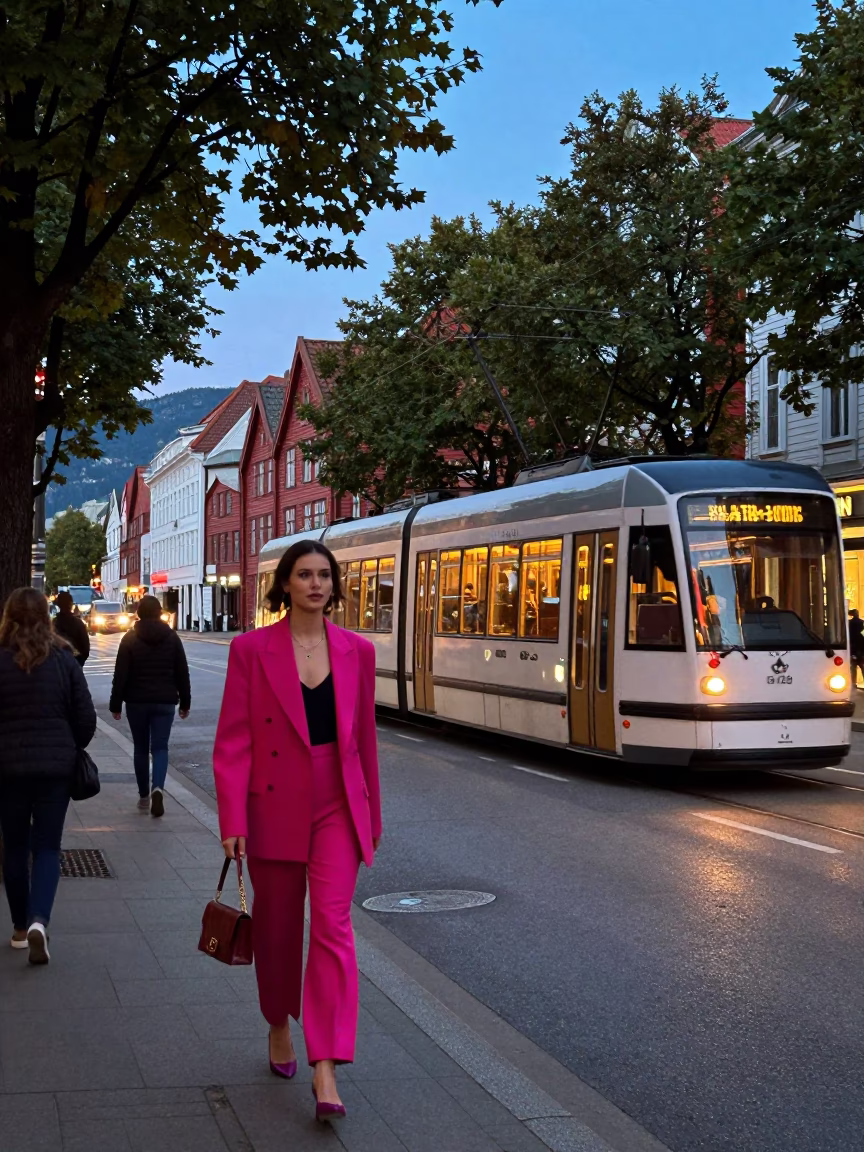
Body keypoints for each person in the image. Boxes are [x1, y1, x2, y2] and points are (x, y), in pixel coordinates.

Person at [213, 540, 381, 1123]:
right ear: (284, 584)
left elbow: (365, 745)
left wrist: (370, 817)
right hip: (274, 805)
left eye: (324, 575)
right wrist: (232, 818)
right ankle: (278, 1022)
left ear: (334, 585)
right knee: (280, 930)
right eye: (304, 575)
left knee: (333, 926)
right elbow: (234, 741)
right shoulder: (251, 650)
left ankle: (326, 1065)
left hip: (336, 803)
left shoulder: (358, 652)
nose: (315, 583)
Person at [0, 587, 97, 964]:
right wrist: (69, 746)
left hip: (7, 770)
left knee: (14, 846)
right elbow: (85, 718)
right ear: (46, 616)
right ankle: (41, 918)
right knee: (47, 847)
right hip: (54, 770)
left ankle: (21, 929)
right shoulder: (63, 659)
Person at [109, 595, 191, 817]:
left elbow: (121, 675)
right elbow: (182, 671)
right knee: (160, 747)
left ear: (138, 613)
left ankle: (144, 795)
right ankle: (158, 788)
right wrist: (185, 702)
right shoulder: (172, 638)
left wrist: (115, 704)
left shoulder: (129, 639)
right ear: (159, 613)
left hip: (136, 701)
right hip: (165, 701)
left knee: (140, 748)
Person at [52, 590, 90, 667]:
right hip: (75, 661)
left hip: (58, 665)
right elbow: (85, 648)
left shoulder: (54, 623)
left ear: (58, 605)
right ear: (71, 604)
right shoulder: (78, 623)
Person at [849, 609, 864, 688]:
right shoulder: (862, 623)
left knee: (853, 666)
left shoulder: (849, 623)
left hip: (853, 648)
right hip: (861, 648)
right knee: (862, 665)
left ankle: (853, 683)